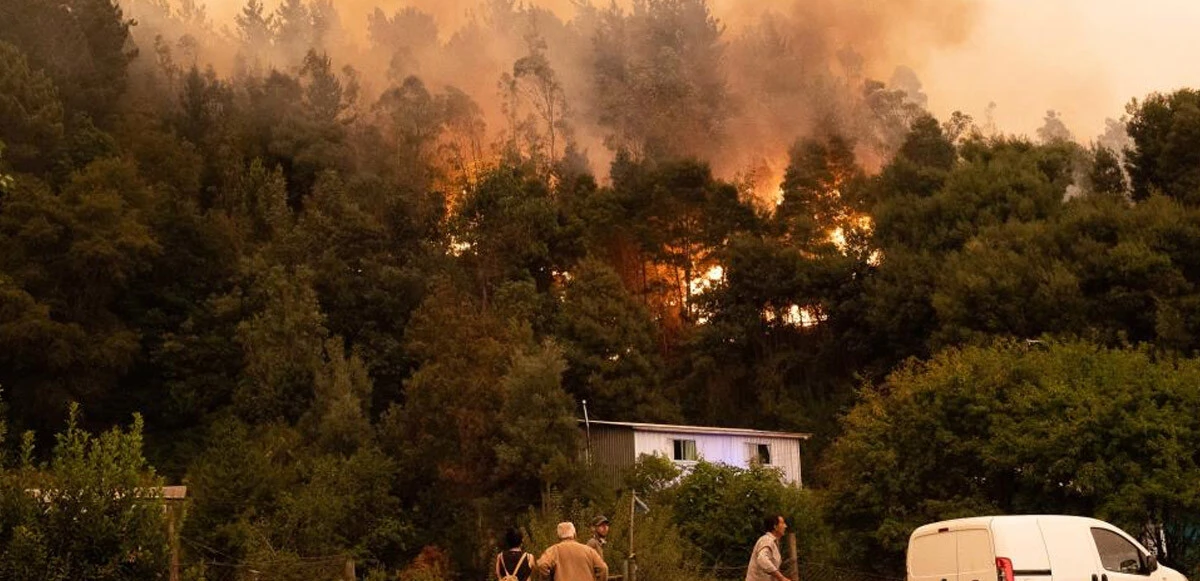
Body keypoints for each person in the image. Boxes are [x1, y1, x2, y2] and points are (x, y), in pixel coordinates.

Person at [538, 522, 608, 581]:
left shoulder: (553, 550)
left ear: (558, 536)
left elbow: (542, 565)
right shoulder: (588, 550)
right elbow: (603, 568)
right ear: (574, 534)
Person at [745, 515, 790, 581]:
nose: (785, 526)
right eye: (782, 523)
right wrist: (781, 578)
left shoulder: (772, 542)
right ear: (775, 527)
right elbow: (762, 559)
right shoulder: (766, 540)